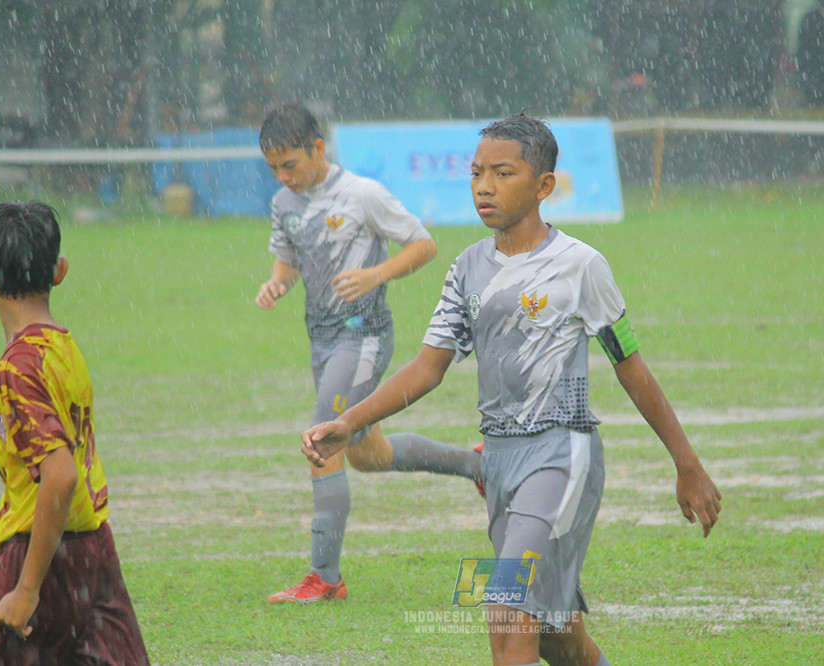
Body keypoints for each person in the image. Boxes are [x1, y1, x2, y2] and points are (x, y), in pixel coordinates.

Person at [300, 113, 723, 665]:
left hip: (561, 454)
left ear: (544, 186)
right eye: (476, 173)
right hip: (498, 462)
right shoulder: (466, 268)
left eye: (502, 173)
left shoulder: (581, 266)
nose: (484, 186)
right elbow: (428, 368)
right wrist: (350, 421)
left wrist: (686, 463)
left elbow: (632, 368)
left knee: (505, 611)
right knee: (557, 637)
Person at [257, 103, 482, 604]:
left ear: (318, 148)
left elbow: (422, 244)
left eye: (290, 163)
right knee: (367, 454)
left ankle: (325, 578)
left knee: (323, 436)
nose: (282, 176)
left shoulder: (362, 194)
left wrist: (375, 275)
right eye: (273, 167)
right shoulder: (284, 204)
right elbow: (288, 259)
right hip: (321, 338)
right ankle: (475, 466)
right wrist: (277, 284)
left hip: (363, 336)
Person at [0, 201, 150, 664]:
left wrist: (26, 588)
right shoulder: (63, 346)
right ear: (59, 271)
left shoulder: (16, 367)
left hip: (36, 549)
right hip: (92, 545)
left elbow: (59, 475)